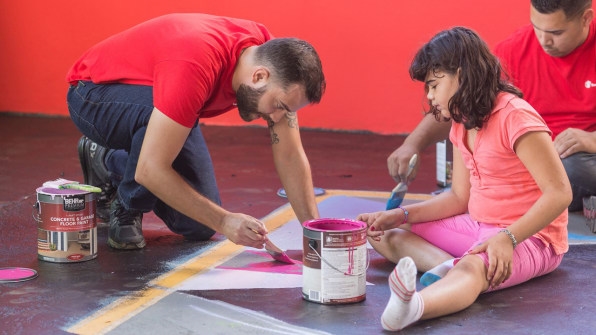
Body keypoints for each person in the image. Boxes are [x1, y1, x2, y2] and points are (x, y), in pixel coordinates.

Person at [357, 27, 572, 331]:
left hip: (531, 239)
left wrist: (507, 238)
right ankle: (449, 270)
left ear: (460, 74)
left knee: (475, 267)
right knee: (383, 232)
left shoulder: (515, 116)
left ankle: (415, 306)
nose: (430, 96)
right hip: (480, 228)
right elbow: (459, 198)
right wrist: (401, 214)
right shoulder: (462, 120)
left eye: (433, 85)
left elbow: (560, 193)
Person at [66, 13, 326, 250]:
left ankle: (105, 159)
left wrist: (316, 233)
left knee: (198, 226)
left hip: (162, 101)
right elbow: (150, 170)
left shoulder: (272, 61)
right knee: (161, 130)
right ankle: (128, 203)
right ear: (259, 77)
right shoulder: (195, 65)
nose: (278, 118)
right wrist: (225, 221)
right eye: (280, 106)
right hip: (92, 95)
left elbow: (290, 155)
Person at [388, 0, 595, 211]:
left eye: (556, 32)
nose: (543, 40)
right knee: (481, 176)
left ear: (586, 18)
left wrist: (591, 139)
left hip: (581, 160)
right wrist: (412, 144)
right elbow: (462, 97)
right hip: (529, 163)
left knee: (572, 167)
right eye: (536, 28)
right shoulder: (514, 50)